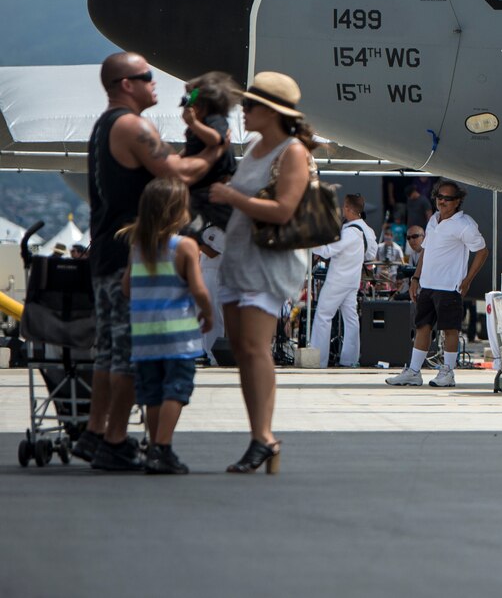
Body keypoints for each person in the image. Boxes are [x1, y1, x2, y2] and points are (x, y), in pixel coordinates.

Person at [79, 52, 226, 473]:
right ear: (126, 84)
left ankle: (97, 434)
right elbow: (177, 173)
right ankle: (115, 440)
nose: (154, 83)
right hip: (131, 253)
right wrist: (216, 151)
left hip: (109, 251)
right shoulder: (130, 124)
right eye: (146, 76)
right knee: (128, 353)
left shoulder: (105, 125)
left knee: (109, 351)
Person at [205, 71, 318, 474]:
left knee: (254, 350)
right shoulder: (255, 148)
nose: (243, 111)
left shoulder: (292, 152)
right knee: (245, 352)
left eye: (249, 105)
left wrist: (231, 196)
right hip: (238, 260)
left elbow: (285, 209)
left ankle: (264, 438)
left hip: (268, 264)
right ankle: (261, 436)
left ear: (271, 111)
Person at [118, 178, 212, 475]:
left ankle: (154, 449)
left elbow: (126, 288)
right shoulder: (185, 246)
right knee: (177, 389)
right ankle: (163, 448)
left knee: (153, 393)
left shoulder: (137, 246)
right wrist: (208, 313)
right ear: (178, 211)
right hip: (176, 336)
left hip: (144, 337)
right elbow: (198, 289)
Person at [385, 179, 487, 389]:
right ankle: (414, 371)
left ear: (458, 201)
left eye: (447, 198)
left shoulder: (464, 224)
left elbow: (482, 251)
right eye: (439, 197)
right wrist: (415, 279)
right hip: (428, 285)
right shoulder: (433, 220)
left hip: (450, 286)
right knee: (422, 327)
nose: (442, 201)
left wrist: (467, 280)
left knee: (450, 330)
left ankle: (448, 372)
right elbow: (426, 251)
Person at [309, 194, 374, 368]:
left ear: (347, 208)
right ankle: (350, 359)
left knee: (323, 316)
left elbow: (327, 251)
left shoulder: (348, 232)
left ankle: (318, 360)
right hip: (353, 280)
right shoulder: (367, 230)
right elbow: (371, 254)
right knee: (351, 319)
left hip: (338, 279)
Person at [179, 71, 239, 254]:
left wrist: (193, 124)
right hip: (198, 190)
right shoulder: (197, 126)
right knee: (188, 231)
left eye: (193, 98)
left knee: (233, 227)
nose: (189, 103)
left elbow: (216, 140)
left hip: (215, 188)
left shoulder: (214, 120)